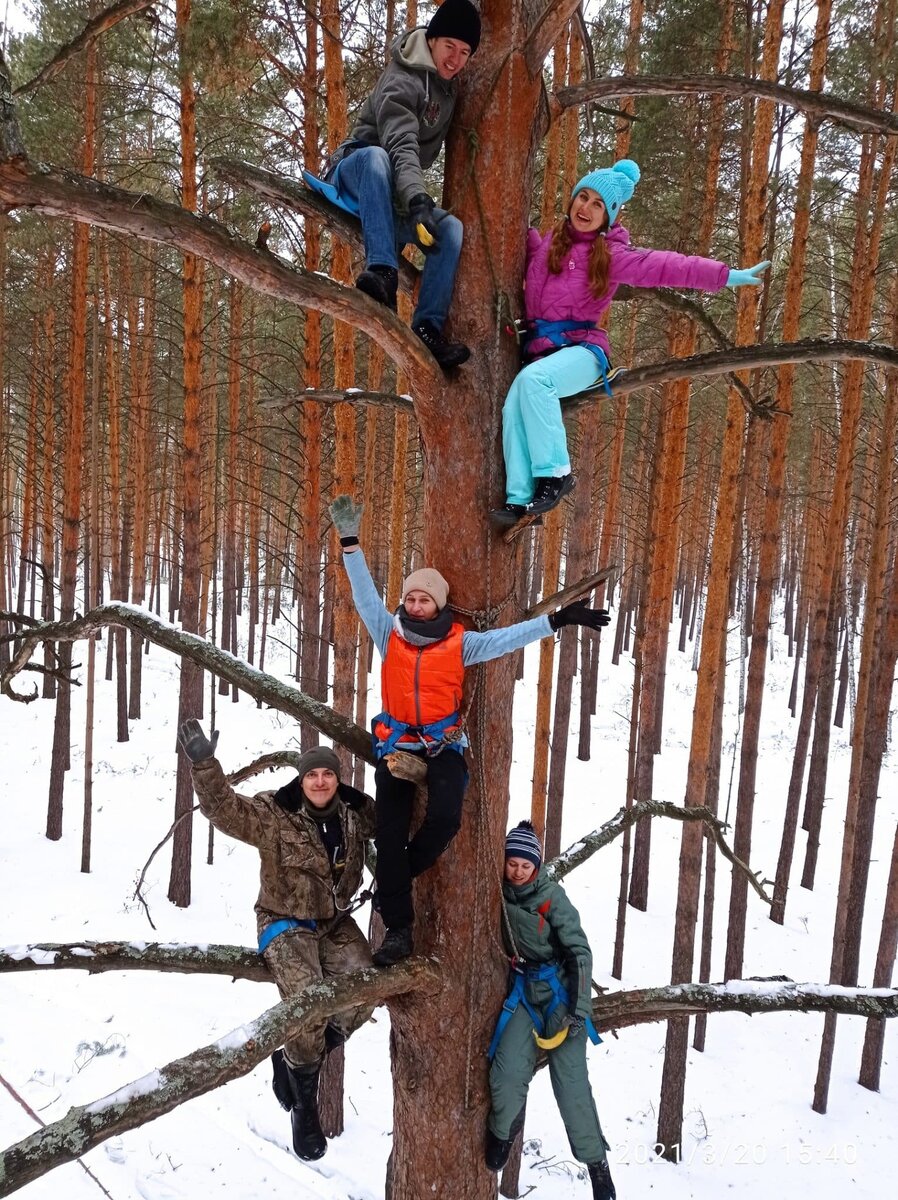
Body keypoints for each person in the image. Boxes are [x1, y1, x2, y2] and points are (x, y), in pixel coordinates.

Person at [328, 493, 611, 968]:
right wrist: (350, 542)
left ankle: (395, 878)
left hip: (444, 746)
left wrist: (558, 619)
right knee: (391, 829)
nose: (415, 605)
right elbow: (363, 595)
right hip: (396, 744)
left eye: (424, 599)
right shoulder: (388, 632)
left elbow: (508, 639)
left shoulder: (462, 644)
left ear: (437, 603)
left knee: (445, 819)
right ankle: (398, 928)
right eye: (411, 598)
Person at [492, 158, 771, 522]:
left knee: (532, 382)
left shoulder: (609, 256)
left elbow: (669, 266)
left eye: (598, 205)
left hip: (582, 353)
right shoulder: (548, 245)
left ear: (609, 216)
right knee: (513, 404)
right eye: (583, 197)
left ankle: (556, 474)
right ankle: (520, 500)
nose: (586, 208)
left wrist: (726, 276)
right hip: (543, 353)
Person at [177, 723, 376, 1162]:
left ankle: (297, 1059)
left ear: (336, 778)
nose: (320, 782)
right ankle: (305, 1104)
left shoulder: (355, 812)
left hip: (333, 921)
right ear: (301, 781)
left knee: (366, 988)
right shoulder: (276, 812)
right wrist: (204, 765)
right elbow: (226, 812)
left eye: (327, 774)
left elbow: (398, 824)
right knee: (307, 1002)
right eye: (312, 776)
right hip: (283, 920)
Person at [318, 0, 482, 371]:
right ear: (432, 39)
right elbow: (400, 144)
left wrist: (415, 203)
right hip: (355, 172)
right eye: (449, 47)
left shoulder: (447, 88)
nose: (455, 59)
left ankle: (427, 328)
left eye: (465, 52)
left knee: (451, 229)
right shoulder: (403, 75)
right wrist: (418, 198)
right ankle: (382, 271)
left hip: (391, 197)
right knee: (377, 157)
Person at [485, 821, 615, 1200]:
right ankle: (501, 1132)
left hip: (559, 995)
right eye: (512, 863)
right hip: (522, 992)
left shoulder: (551, 897)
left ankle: (597, 1166)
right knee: (506, 1071)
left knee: (572, 1084)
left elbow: (579, 951)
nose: (518, 871)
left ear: (537, 866)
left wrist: (579, 1009)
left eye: (526, 865)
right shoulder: (495, 892)